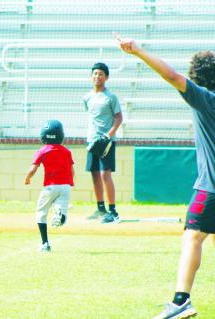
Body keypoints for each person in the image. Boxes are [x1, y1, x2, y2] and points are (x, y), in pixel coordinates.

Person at [117, 35, 215, 319]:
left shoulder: (205, 100)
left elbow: (171, 76)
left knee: (193, 237)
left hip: (210, 188)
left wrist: (137, 51)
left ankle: (181, 301)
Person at [25, 120, 75, 252]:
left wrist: (28, 178)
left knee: (41, 213)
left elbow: (33, 168)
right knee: (61, 215)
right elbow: (72, 170)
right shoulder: (67, 151)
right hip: (65, 187)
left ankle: (45, 244)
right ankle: (61, 214)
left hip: (50, 187)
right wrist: (70, 182)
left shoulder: (43, 151)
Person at [83, 62, 123, 224]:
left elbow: (119, 118)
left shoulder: (111, 97)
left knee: (105, 174)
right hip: (92, 141)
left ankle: (113, 211)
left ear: (106, 77)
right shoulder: (87, 97)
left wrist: (108, 135)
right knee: (94, 174)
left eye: (100, 74)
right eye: (95, 74)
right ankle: (101, 209)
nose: (97, 77)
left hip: (106, 142)